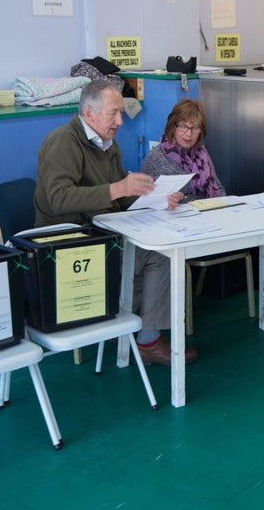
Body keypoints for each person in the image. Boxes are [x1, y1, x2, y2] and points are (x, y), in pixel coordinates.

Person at [33, 80, 196, 366]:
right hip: (68, 246)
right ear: (89, 112)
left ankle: (137, 332)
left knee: (163, 252)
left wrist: (157, 199)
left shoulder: (107, 145)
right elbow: (59, 199)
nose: (121, 121)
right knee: (160, 258)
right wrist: (119, 188)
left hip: (102, 236)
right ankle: (147, 340)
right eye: (114, 113)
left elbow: (121, 200)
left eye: (121, 112)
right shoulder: (61, 142)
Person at [142, 98, 264, 321]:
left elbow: (218, 188)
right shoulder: (156, 157)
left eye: (194, 127)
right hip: (183, 230)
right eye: (183, 126)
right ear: (173, 126)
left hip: (214, 218)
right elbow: (145, 201)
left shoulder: (201, 153)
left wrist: (227, 208)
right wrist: (168, 201)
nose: (188, 133)